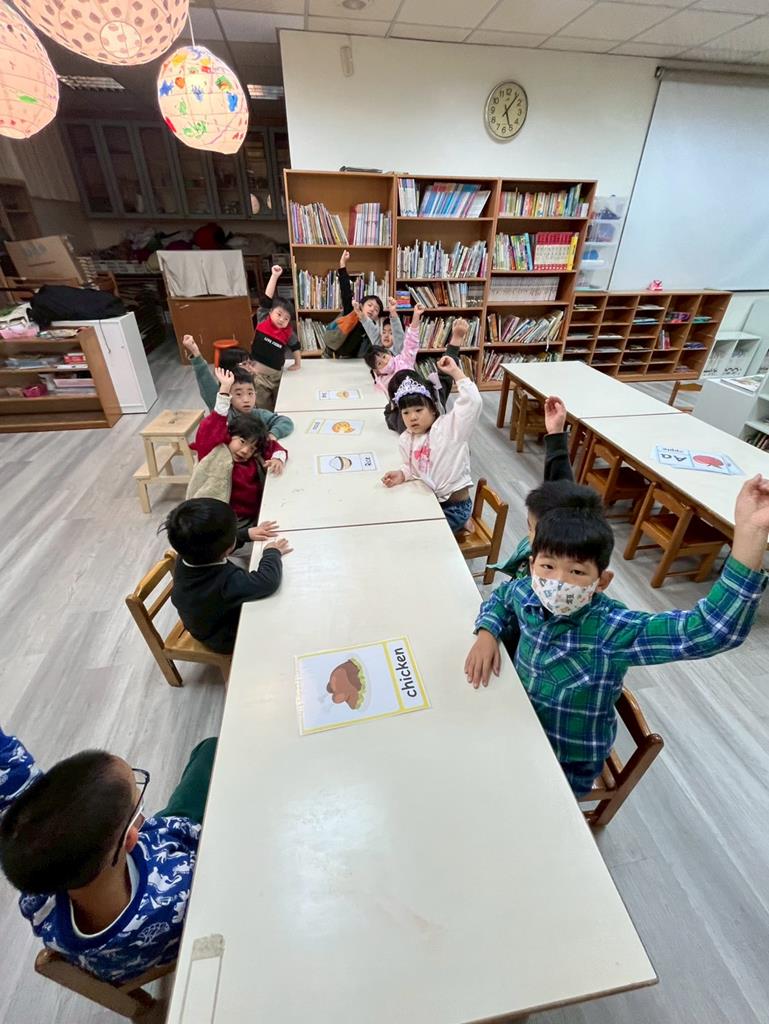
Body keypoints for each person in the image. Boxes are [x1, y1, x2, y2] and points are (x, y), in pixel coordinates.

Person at [464, 476, 769, 796]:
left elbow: (709, 630)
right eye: (548, 567)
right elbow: (503, 597)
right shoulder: (526, 589)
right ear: (532, 565)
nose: (557, 582)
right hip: (520, 719)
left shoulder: (611, 629)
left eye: (576, 572)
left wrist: (750, 534)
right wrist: (487, 631)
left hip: (565, 759)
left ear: (602, 581)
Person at [0, 724, 217, 983]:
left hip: (124, 964)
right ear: (131, 837)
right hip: (179, 858)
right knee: (210, 750)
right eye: (138, 796)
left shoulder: (39, 898)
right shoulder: (176, 891)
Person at [164, 497, 291, 654]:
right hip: (224, 639)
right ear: (228, 548)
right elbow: (267, 581)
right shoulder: (227, 582)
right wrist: (272, 552)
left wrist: (246, 534)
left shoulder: (187, 553)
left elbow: (215, 544)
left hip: (201, 620)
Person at [382, 348, 482, 534]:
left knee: (425, 535)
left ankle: (463, 521)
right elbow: (414, 468)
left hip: (455, 507)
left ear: (433, 409)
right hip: (431, 501)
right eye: (406, 412)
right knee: (397, 521)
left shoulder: (450, 429)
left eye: (418, 410)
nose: (412, 417)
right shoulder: (406, 439)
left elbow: (473, 402)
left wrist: (455, 372)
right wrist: (402, 474)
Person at [189, 368, 288, 548]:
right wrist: (224, 390)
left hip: (252, 516)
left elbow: (273, 447)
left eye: (252, 448)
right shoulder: (215, 451)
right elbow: (211, 427)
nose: (245, 451)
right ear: (229, 436)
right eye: (242, 442)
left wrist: (277, 458)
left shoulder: (252, 452)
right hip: (223, 523)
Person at [493, 395, 576, 580]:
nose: (529, 534)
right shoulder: (537, 552)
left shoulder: (557, 579)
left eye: (532, 529)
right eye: (529, 527)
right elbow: (561, 489)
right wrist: (556, 435)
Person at [181, 335, 294, 440]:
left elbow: (282, 421)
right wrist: (195, 353)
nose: (246, 399)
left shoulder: (255, 410)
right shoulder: (221, 404)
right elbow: (204, 379)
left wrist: (273, 434)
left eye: (250, 393)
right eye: (244, 364)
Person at [247, 264, 301, 410]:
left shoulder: (288, 332)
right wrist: (274, 276)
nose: (281, 320)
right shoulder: (263, 319)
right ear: (270, 312)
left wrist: (297, 363)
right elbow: (266, 299)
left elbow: (295, 346)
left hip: (278, 377)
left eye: (286, 318)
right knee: (263, 407)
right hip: (259, 378)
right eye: (279, 314)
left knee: (281, 406)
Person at [331, 249, 383, 359]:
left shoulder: (373, 330)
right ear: (361, 306)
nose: (372, 309)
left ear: (377, 317)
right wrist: (342, 264)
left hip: (358, 362)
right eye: (369, 305)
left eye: (376, 309)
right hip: (339, 358)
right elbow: (346, 292)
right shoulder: (352, 313)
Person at [363, 302, 424, 393]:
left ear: (388, 353)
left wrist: (416, 315)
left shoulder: (403, 358)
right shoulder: (381, 380)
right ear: (377, 369)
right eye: (379, 363)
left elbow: (411, 340)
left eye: (384, 357)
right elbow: (372, 332)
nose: (385, 361)